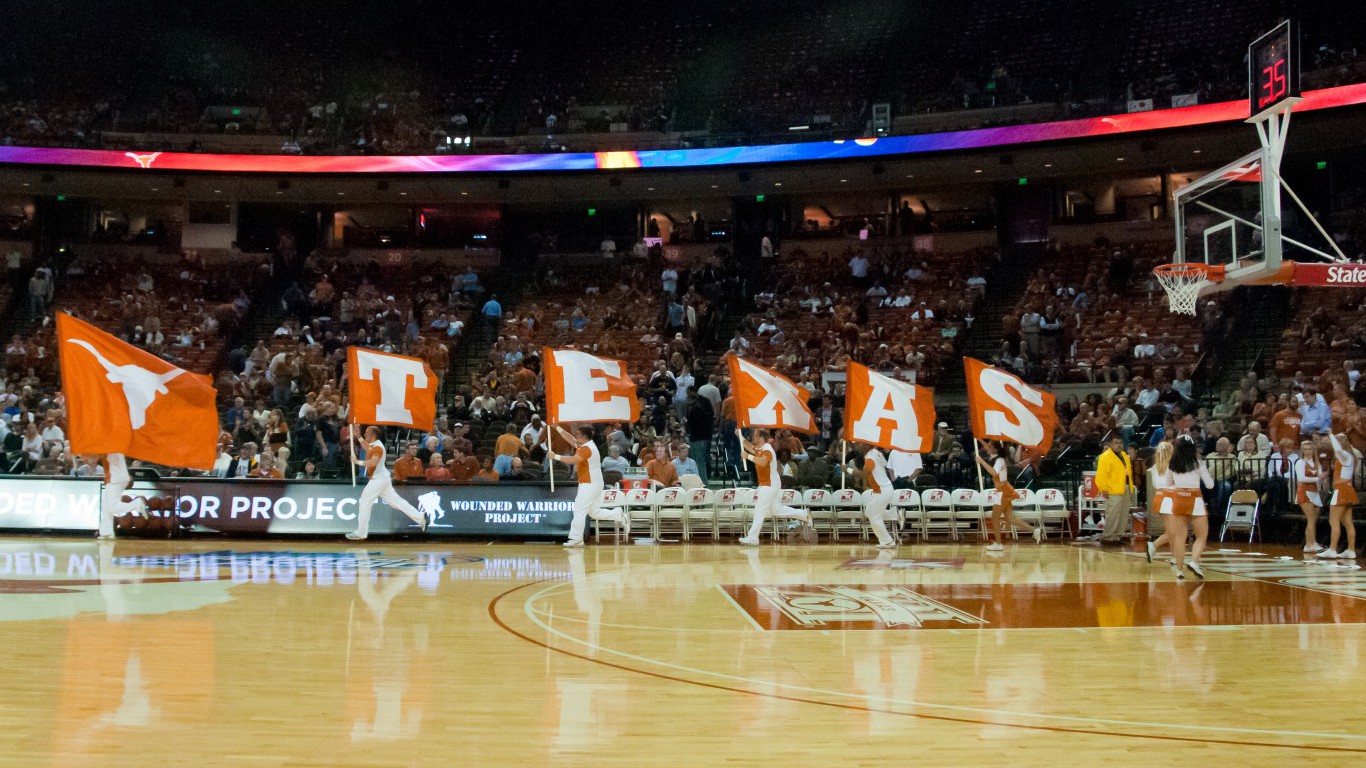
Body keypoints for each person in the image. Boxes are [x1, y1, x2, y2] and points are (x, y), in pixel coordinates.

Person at [551, 424, 628, 547]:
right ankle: (618, 514)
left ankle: (576, 540)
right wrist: (557, 428)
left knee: (579, 510)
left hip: (589, 483)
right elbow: (571, 439)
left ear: (584, 436)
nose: (576, 436)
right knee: (594, 512)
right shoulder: (586, 445)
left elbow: (574, 460)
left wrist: (556, 456)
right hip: (594, 483)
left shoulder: (586, 449)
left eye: (578, 434)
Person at [347, 426, 428, 541]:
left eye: (366, 433)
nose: (365, 435)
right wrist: (358, 436)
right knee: (396, 502)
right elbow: (367, 447)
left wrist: (357, 462)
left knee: (364, 502)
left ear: (372, 435)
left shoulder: (378, 448)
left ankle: (361, 533)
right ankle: (421, 517)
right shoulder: (375, 445)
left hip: (378, 480)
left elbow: (373, 462)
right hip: (383, 479)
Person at [737, 428, 811, 546]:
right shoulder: (762, 448)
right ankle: (803, 514)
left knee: (759, 508)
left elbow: (763, 462)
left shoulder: (768, 449)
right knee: (777, 510)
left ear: (761, 437)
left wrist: (748, 457)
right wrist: (740, 436)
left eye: (755, 435)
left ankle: (753, 537)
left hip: (769, 484)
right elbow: (750, 447)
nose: (753, 437)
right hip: (769, 483)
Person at [1156, 435, 1214, 579]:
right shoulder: (1198, 464)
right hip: (1195, 501)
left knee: (1179, 538)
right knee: (1201, 536)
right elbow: (1210, 485)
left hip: (1178, 500)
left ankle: (1179, 570)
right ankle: (1194, 561)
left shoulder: (1172, 465)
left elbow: (1169, 483)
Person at [973, 441, 1041, 552]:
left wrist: (981, 462)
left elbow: (994, 473)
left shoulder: (999, 460)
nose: (987, 448)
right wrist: (980, 441)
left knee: (995, 518)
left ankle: (998, 543)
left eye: (989, 447)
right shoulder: (998, 458)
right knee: (1010, 518)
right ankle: (1034, 530)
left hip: (1003, 491)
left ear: (995, 449)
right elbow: (988, 448)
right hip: (1004, 489)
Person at [1320, 433, 1359, 559]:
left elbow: (1337, 449)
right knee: (1348, 522)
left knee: (1334, 521)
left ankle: (1332, 549)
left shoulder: (1345, 455)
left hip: (1341, 491)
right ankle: (1351, 550)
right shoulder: (1347, 456)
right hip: (1347, 490)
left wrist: (1331, 434)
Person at [1094, 434, 1134, 545]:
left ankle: (1117, 536)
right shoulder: (1105, 456)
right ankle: (1108, 537)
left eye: (1120, 443)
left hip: (1125, 487)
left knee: (1123, 514)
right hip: (1112, 489)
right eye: (1116, 443)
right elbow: (1101, 475)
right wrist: (1104, 489)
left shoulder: (1124, 455)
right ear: (1111, 444)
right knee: (1112, 514)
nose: (1119, 445)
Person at [97, 453, 148, 540]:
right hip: (116, 477)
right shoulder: (113, 444)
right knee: (105, 506)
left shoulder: (108, 445)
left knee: (111, 507)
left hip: (115, 478)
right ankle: (107, 532)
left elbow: (94, 457)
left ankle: (137, 504)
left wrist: (79, 453)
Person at [859, 444, 899, 549]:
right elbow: (884, 463)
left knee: (874, 517)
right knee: (868, 512)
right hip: (883, 488)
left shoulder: (870, 458)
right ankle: (894, 514)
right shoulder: (876, 453)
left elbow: (864, 475)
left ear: (867, 446)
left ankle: (888, 542)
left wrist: (847, 470)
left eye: (860, 444)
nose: (858, 446)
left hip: (882, 489)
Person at [1294, 440, 1325, 554]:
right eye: (1305, 449)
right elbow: (1301, 478)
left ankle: (1310, 544)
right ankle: (1310, 544)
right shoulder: (1300, 462)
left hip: (1315, 493)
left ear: (1313, 450)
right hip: (1304, 492)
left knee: (1313, 520)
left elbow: (1321, 477)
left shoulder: (1317, 463)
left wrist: (1322, 481)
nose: (1307, 451)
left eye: (1310, 449)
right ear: (1302, 451)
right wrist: (1318, 478)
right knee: (1311, 518)